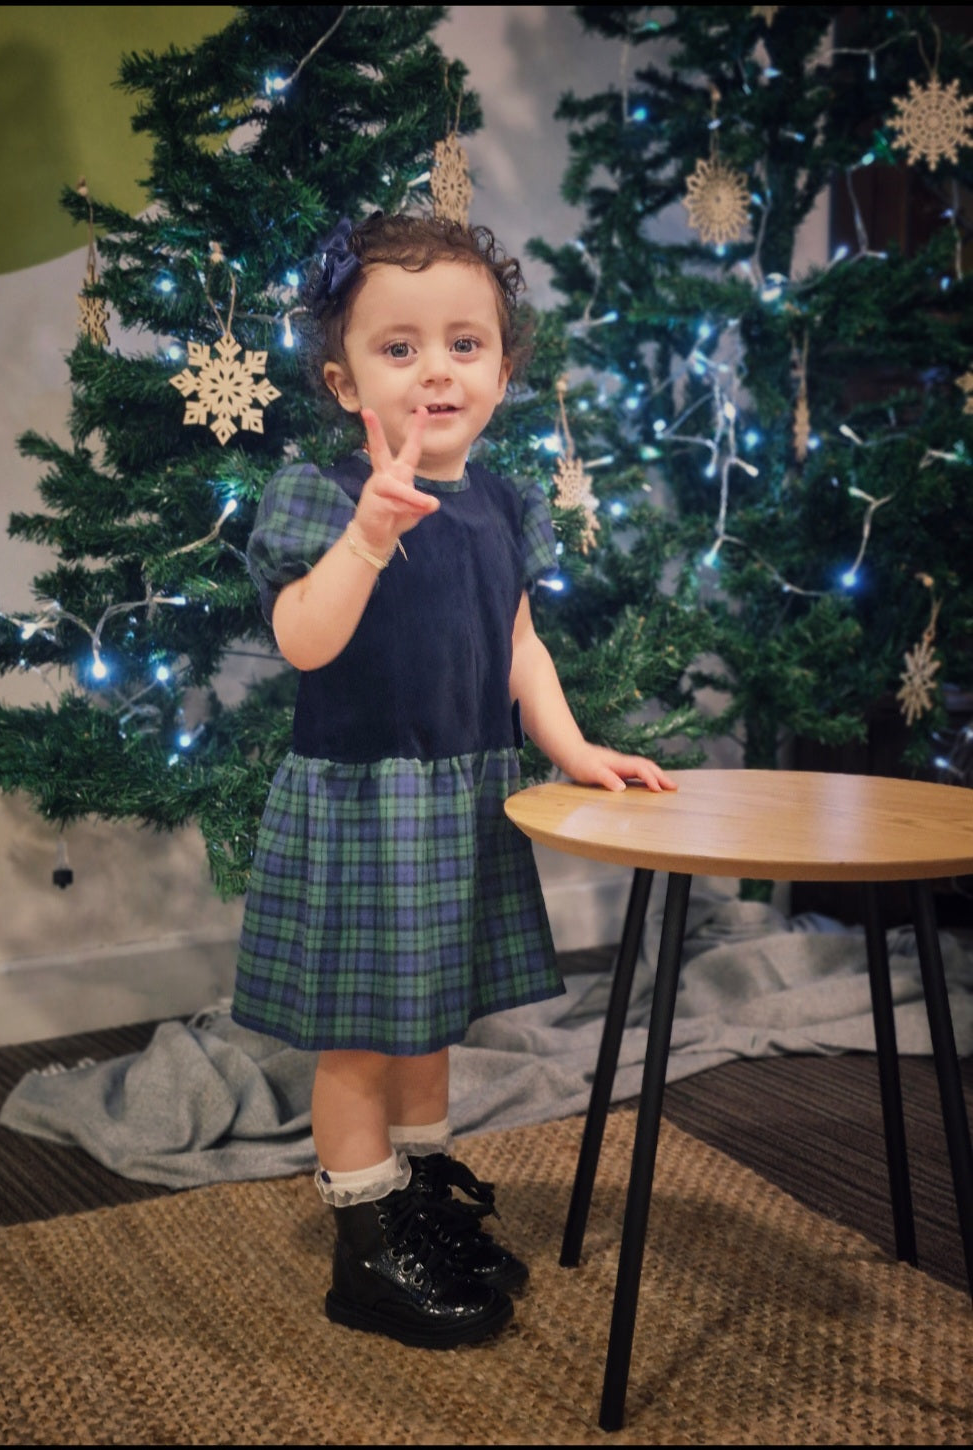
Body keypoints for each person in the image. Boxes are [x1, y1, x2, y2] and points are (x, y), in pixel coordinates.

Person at [233, 212, 676, 1350]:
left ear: (503, 370)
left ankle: (419, 1183)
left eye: (464, 344)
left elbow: (519, 644)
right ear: (344, 383)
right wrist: (370, 532)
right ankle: (367, 1237)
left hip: (461, 798)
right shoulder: (318, 493)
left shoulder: (507, 503)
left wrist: (573, 746)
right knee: (359, 1033)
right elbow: (301, 639)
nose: (436, 368)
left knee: (427, 1011)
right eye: (399, 349)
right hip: (361, 801)